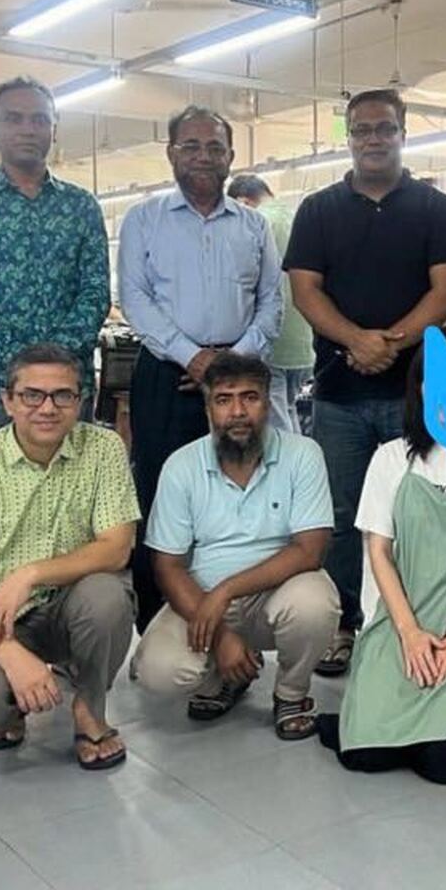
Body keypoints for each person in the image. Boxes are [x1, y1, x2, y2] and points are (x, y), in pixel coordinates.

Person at [283, 88, 446, 676]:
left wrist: (390, 342)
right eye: (361, 129)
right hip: (338, 393)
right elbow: (305, 292)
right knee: (342, 515)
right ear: (349, 137)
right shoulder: (318, 210)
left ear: (403, 133)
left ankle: (417, 623)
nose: (373, 138)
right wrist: (356, 341)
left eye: (384, 128)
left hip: (416, 394)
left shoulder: (436, 209)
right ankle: (343, 622)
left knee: (422, 512)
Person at [0, 343, 139, 770]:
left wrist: (29, 574)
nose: (47, 408)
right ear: (8, 402)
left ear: (81, 401)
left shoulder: (104, 449)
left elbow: (116, 547)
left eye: (62, 395)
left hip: (72, 604)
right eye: (32, 395)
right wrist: (10, 655)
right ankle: (2, 701)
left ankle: (89, 709)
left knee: (108, 598)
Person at [317, 328, 446, 783]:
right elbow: (378, 550)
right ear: (420, 389)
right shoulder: (391, 458)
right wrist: (410, 634)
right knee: (364, 757)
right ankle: (367, 716)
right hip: (402, 622)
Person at [118, 107, 282, 633]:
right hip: (168, 374)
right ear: (171, 153)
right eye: (190, 146)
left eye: (215, 147)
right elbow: (135, 298)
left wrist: (231, 364)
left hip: (241, 377)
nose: (203, 157)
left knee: (241, 488)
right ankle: (157, 624)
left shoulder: (254, 225)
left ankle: (237, 616)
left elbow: (272, 301)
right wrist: (192, 356)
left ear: (231, 157)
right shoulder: (144, 219)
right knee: (161, 491)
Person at [132, 352, 340, 740]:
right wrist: (221, 635)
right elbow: (167, 566)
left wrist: (226, 590)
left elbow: (309, 550)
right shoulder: (181, 466)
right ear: (208, 407)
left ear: (267, 402)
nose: (238, 411)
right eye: (224, 399)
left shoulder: (303, 454)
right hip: (203, 597)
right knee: (158, 672)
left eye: (250, 397)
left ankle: (291, 694)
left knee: (316, 604)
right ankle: (225, 679)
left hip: (278, 591)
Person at [0, 76, 110, 447]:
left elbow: (95, 291)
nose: (27, 129)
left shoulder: (81, 206)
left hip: (66, 390)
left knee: (71, 481)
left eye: (39, 119)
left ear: (54, 129)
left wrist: (51, 367)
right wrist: (25, 367)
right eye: (13, 118)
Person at [228, 173, 315, 434]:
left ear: (243, 202)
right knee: (289, 411)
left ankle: (288, 462)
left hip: (272, 342)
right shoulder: (297, 217)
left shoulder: (258, 222)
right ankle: (300, 460)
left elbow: (243, 281)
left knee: (274, 423)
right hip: (303, 343)